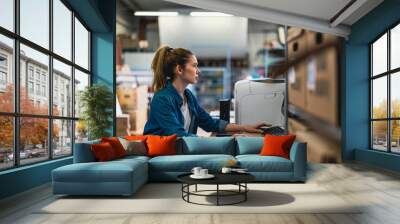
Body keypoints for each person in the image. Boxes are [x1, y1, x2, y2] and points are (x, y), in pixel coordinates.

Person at [143, 46, 267, 137]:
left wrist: (245, 127)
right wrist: (216, 142)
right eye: (194, 65)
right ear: (180, 69)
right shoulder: (162, 99)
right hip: (162, 155)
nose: (198, 71)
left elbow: (210, 123)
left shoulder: (188, 96)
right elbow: (178, 136)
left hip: (179, 152)